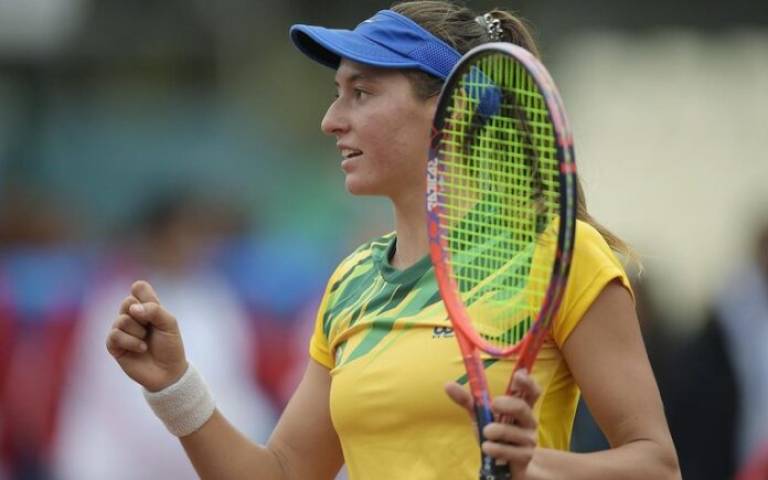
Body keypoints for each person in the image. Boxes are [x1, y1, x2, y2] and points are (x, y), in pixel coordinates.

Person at [105, 2, 681, 479]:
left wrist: (537, 468)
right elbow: (280, 473)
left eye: (363, 92)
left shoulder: (561, 255)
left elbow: (657, 466)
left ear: (452, 110)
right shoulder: (351, 281)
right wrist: (174, 387)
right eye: (338, 92)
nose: (332, 118)